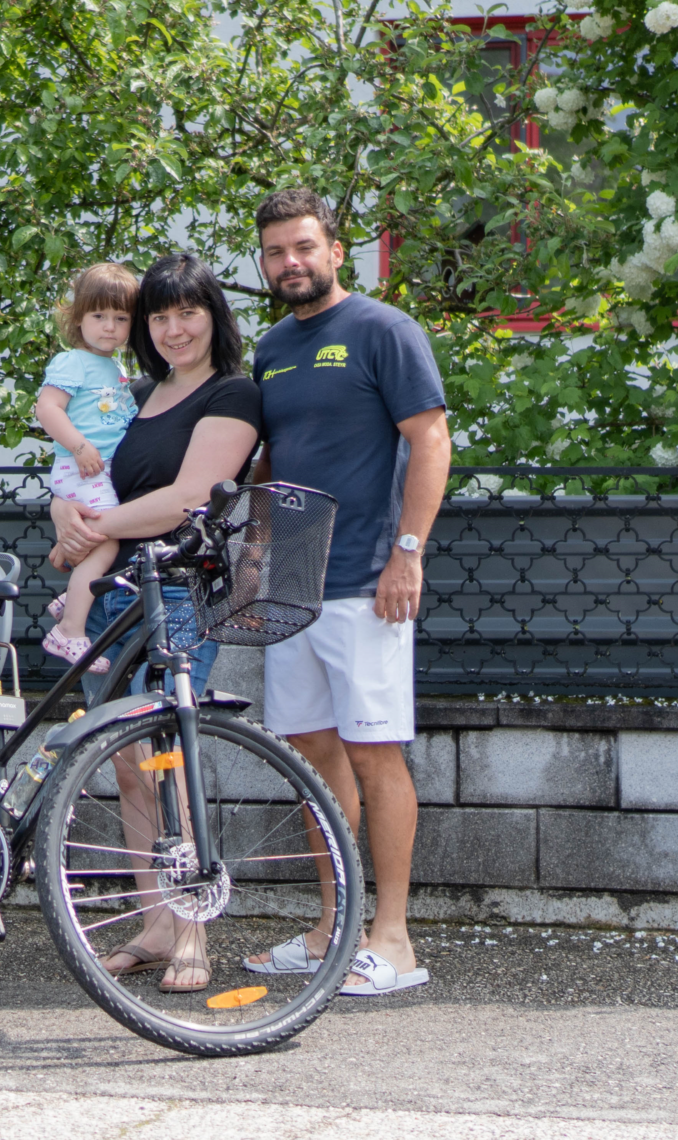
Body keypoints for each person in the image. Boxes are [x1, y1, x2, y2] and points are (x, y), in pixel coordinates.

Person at [242, 187, 451, 996]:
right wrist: (257, 552)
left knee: (374, 752)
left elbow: (430, 439)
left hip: (367, 581)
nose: (289, 263)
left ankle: (392, 940)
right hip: (293, 582)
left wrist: (410, 553)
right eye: (274, 252)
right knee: (312, 756)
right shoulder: (269, 348)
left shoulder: (383, 331)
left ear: (336, 249)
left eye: (303, 247)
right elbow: (272, 459)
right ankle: (334, 927)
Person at [48, 252, 261, 992]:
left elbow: (191, 495)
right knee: (126, 766)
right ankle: (154, 922)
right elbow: (81, 468)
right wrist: (69, 520)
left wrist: (97, 519)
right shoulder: (131, 394)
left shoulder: (234, 394)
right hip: (110, 591)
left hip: (176, 592)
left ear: (213, 316)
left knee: (169, 754)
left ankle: (194, 926)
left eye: (188, 312)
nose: (173, 329)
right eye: (160, 316)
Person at [35, 263, 140, 671]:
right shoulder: (72, 361)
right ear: (78, 318)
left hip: (99, 469)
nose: (109, 327)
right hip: (83, 468)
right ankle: (70, 630)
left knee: (99, 539)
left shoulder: (115, 367)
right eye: (99, 316)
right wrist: (79, 446)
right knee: (109, 539)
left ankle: (73, 596)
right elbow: (47, 408)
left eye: (120, 318)